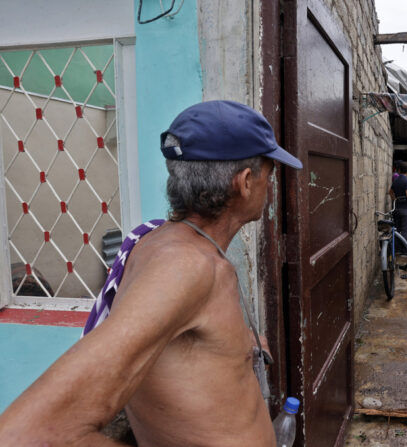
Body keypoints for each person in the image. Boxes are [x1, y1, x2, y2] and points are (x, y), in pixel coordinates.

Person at [0, 100, 302, 446]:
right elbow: (29, 434)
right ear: (246, 182)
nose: (271, 185)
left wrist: (238, 346)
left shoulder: (163, 242)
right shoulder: (186, 268)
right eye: (270, 173)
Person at [389, 160, 407, 244]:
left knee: (397, 230)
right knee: (404, 231)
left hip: (396, 208)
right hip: (406, 209)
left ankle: (396, 249)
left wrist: (394, 198)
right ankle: (403, 250)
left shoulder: (396, 180)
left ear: (399, 170)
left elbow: (390, 192)